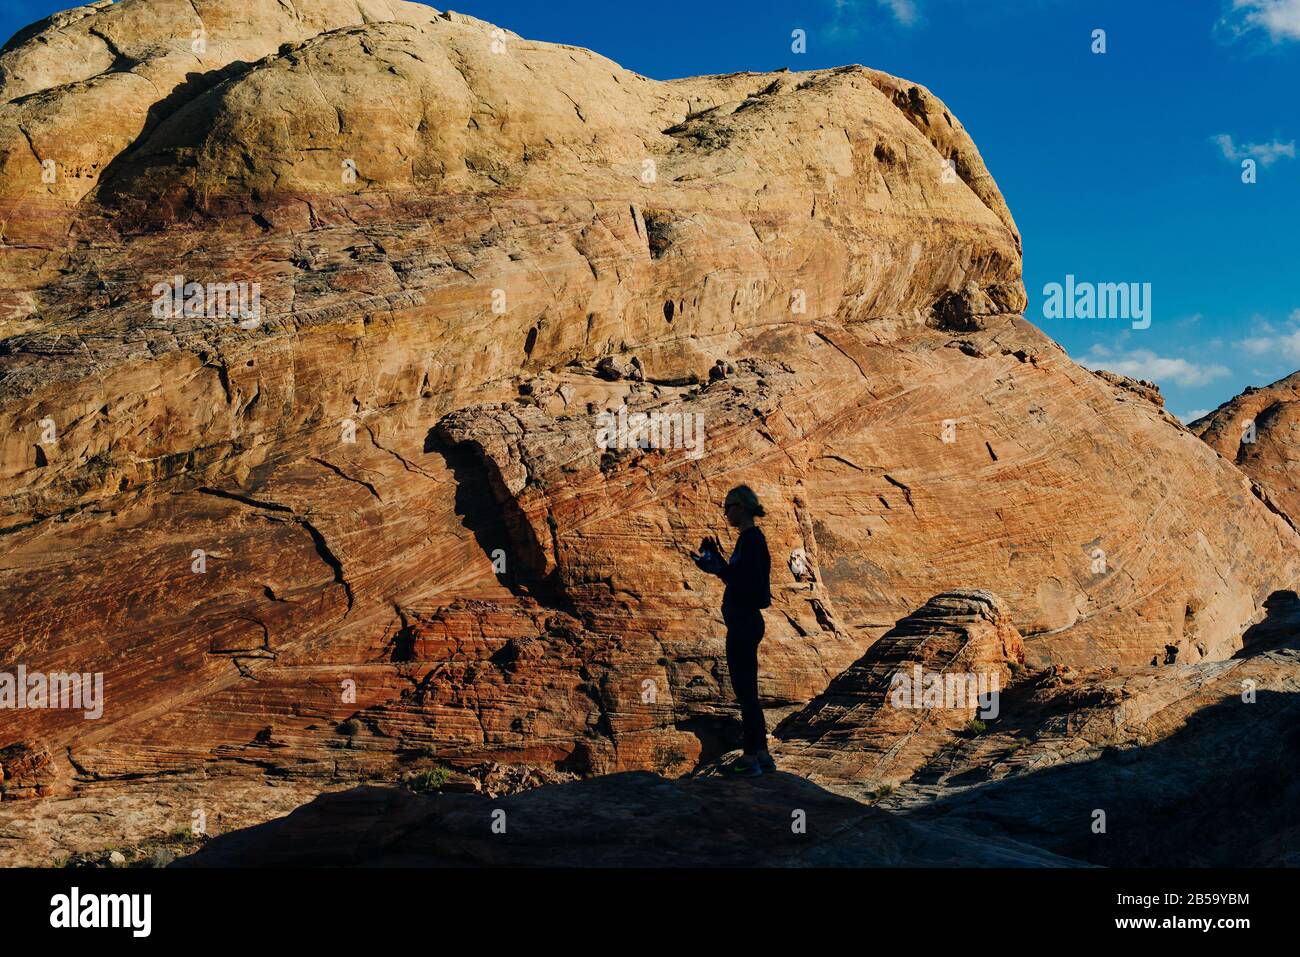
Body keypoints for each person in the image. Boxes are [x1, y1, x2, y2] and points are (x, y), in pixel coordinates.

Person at [690, 485, 774, 777]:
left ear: (741, 506)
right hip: (744, 621)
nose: (726, 513)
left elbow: (748, 586)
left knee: (745, 693)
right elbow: (741, 578)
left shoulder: (752, 541)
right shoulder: (749, 540)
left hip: (744, 623)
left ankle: (750, 759)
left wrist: (719, 569)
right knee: (748, 691)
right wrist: (719, 562)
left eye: (728, 507)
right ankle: (762, 754)